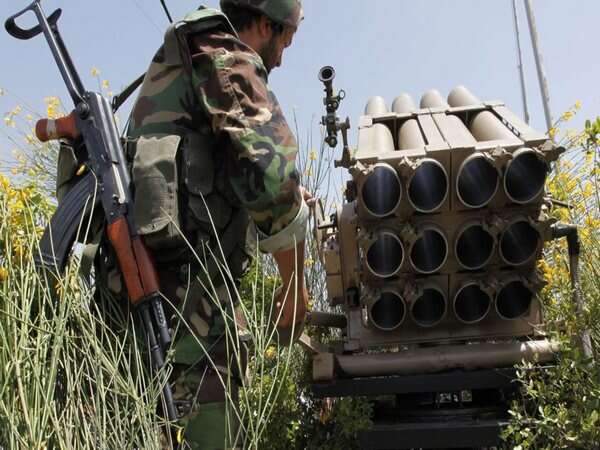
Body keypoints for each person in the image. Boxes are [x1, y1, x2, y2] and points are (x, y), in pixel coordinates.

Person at [121, 0, 309, 448]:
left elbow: (206, 179)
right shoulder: (226, 59)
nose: (282, 58)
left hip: (145, 313)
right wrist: (295, 283)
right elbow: (273, 181)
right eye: (286, 41)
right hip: (188, 324)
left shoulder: (184, 60)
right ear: (264, 24)